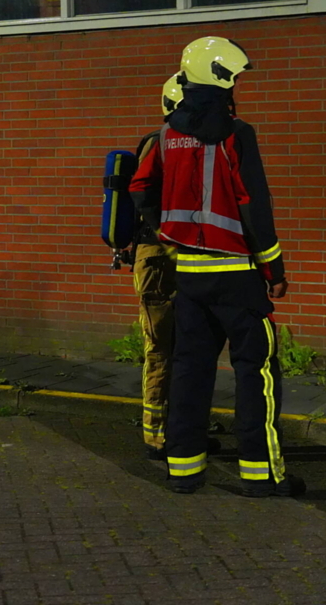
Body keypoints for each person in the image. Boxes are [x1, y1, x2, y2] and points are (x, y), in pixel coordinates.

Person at [129, 36, 303, 498]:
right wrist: (275, 270)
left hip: (188, 276)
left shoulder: (166, 136)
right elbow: (254, 205)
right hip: (237, 276)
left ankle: (183, 470)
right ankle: (260, 475)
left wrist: (168, 230)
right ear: (222, 78)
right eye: (236, 78)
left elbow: (140, 189)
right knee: (256, 372)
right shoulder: (236, 134)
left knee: (189, 370)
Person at [129, 74, 183, 460]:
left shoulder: (184, 142)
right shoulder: (161, 141)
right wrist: (166, 233)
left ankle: (179, 429)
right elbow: (141, 191)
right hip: (158, 258)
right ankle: (156, 435)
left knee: (184, 347)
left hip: (177, 257)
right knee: (161, 348)